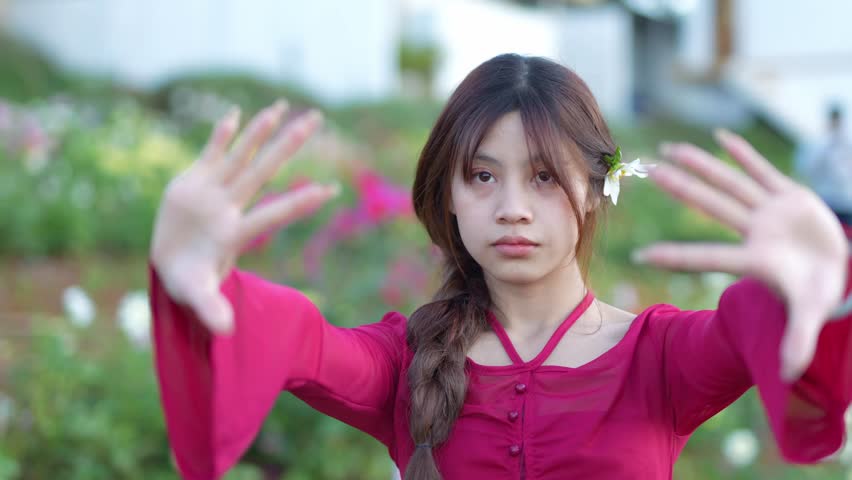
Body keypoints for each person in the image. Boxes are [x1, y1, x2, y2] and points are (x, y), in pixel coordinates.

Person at [148, 54, 852, 480]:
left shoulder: (659, 358)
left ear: (594, 185)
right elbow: (300, 341)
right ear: (447, 195)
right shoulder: (406, 361)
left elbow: (750, 330)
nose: (513, 208)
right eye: (482, 177)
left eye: (544, 177)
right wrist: (209, 287)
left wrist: (830, 284)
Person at [795, 104, 852, 226]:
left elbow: (807, 168)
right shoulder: (822, 141)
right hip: (830, 200)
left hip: (837, 202)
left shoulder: (827, 142)